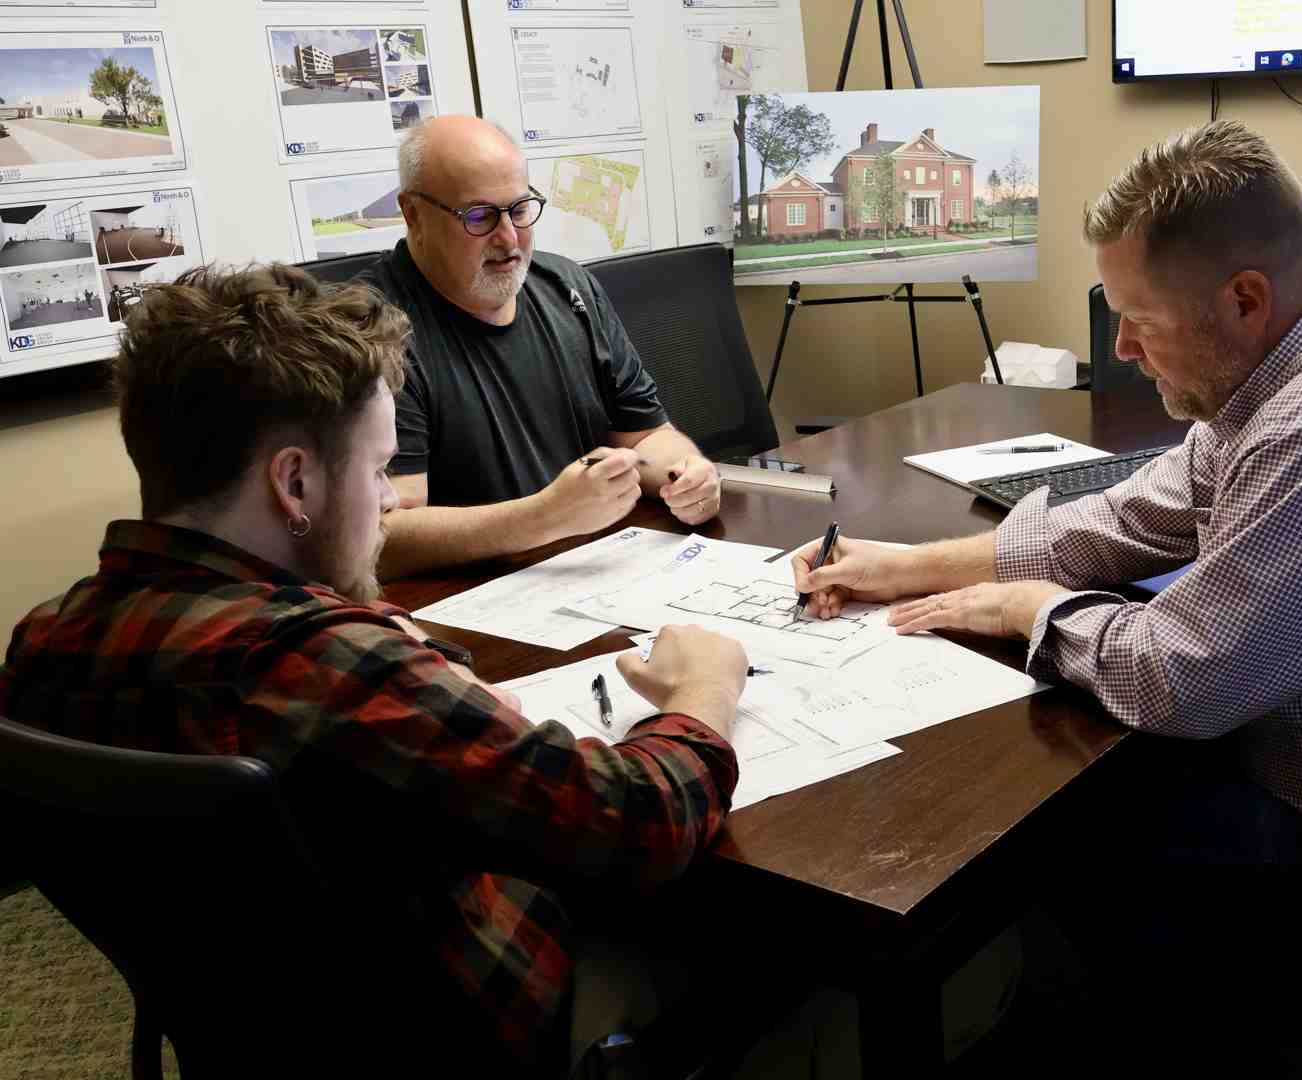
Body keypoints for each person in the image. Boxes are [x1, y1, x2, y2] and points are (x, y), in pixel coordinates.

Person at [792, 120, 1302, 1012]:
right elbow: (1129, 517)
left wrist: (1030, 611)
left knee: (1076, 829)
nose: (1119, 351)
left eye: (1139, 321)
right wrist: (917, 565)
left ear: (1244, 300)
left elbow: (1181, 679)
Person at [0, 263, 751, 1074]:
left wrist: (402, 653)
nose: (392, 502)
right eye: (377, 470)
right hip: (454, 1028)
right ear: (295, 482)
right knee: (761, 955)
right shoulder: (328, 669)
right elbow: (645, 824)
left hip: (243, 1021)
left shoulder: (41, 642)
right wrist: (704, 687)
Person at [359, 115, 723, 581]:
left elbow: (645, 436)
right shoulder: (371, 329)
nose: (508, 238)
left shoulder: (569, 288)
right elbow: (379, 536)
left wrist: (689, 476)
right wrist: (546, 516)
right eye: (479, 216)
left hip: (592, 571)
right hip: (465, 602)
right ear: (412, 214)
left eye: (520, 209)